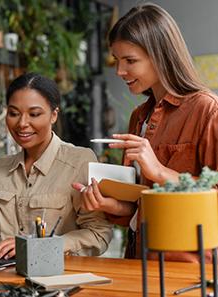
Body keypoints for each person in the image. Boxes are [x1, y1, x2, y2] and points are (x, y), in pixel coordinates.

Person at [76, 3, 218, 262]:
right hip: (138, 260)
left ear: (161, 55)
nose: (120, 71)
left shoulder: (207, 110)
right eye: (117, 60)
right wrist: (109, 205)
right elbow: (140, 206)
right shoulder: (139, 117)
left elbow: (214, 199)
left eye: (130, 61)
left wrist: (160, 171)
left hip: (187, 273)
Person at [0, 73, 113, 260]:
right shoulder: (0, 167)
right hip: (9, 278)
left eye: (34, 114)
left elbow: (98, 235)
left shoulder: (80, 161)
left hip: (61, 278)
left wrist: (39, 247)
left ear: (54, 115)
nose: (22, 124)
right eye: (14, 113)